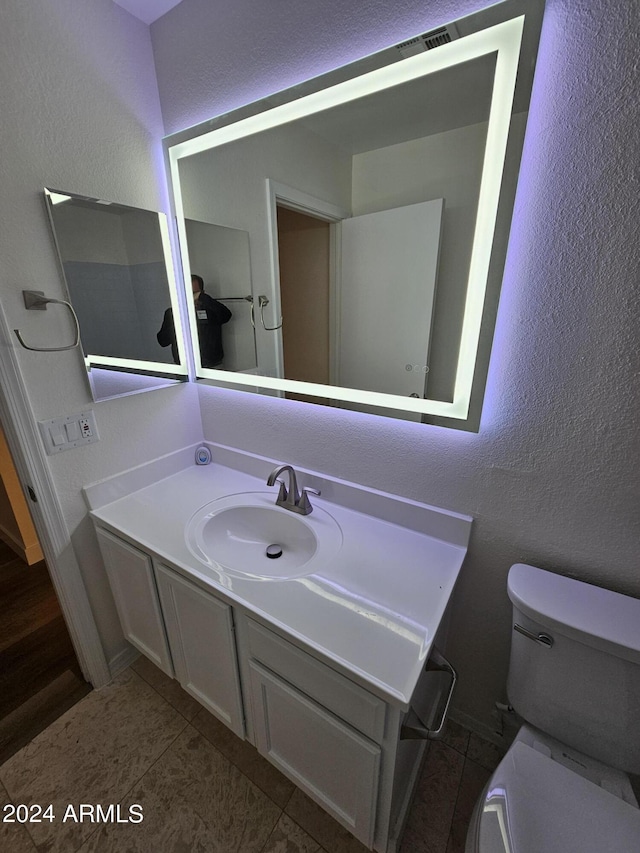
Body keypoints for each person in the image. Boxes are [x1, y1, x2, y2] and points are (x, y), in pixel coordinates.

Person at [157, 274, 232, 367]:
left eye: (194, 293)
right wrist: (179, 321)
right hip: (184, 367)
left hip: (211, 365)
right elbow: (162, 341)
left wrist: (203, 298)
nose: (190, 297)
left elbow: (226, 315)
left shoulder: (211, 310)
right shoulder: (172, 313)